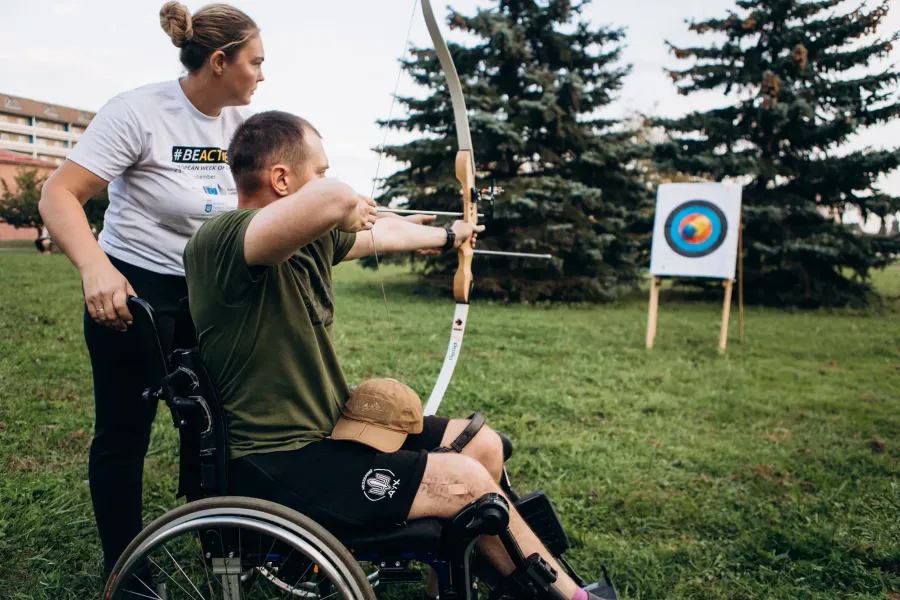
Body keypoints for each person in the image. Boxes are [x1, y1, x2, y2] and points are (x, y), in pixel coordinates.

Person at [183, 110, 610, 600]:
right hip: (277, 462)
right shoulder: (222, 241)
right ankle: (573, 598)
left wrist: (450, 235)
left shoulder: (301, 240)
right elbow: (334, 199)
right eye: (318, 170)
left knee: (482, 447)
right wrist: (341, 200)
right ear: (281, 178)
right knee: (465, 480)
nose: (326, 178)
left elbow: (381, 234)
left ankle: (450, 587)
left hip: (326, 432)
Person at [37, 1, 264, 575]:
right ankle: (127, 571)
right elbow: (58, 195)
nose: (263, 74)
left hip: (209, 292)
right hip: (132, 289)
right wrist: (95, 268)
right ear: (219, 61)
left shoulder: (246, 127)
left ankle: (220, 553)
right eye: (256, 62)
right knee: (124, 435)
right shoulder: (138, 112)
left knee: (209, 426)